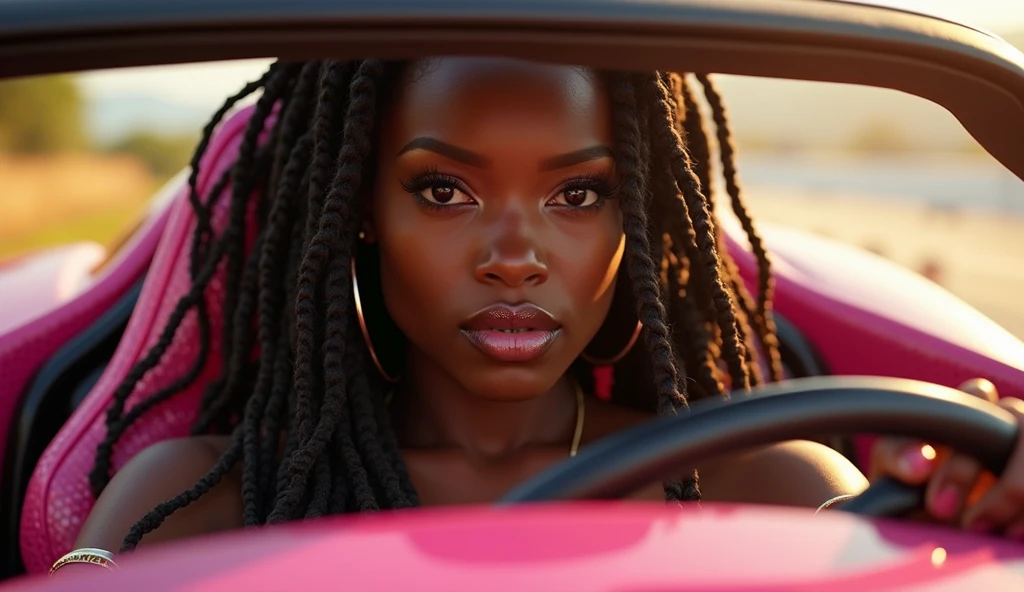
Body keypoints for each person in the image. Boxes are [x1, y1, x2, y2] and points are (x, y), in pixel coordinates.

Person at [55, 57, 1024, 575]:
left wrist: (971, 515)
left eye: (577, 196)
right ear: (359, 215)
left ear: (635, 224)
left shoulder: (773, 483)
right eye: (443, 192)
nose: (513, 255)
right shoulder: (187, 504)